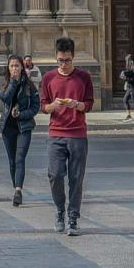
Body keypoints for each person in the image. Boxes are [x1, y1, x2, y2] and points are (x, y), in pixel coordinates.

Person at [41, 36, 93, 236]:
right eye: (60, 60)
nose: (64, 64)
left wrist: (76, 104)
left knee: (76, 178)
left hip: (78, 133)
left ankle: (73, 217)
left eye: (67, 60)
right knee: (54, 175)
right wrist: (53, 106)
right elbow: (43, 106)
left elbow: (89, 103)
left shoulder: (83, 77)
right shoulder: (49, 78)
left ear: (73, 58)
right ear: (56, 57)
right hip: (56, 133)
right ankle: (60, 210)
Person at [0, 53, 41, 206]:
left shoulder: (29, 86)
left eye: (17, 66)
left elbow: (36, 107)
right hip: (8, 128)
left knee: (19, 158)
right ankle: (14, 186)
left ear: (22, 67)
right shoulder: (5, 85)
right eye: (12, 66)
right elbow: (6, 98)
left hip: (24, 127)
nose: (15, 69)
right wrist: (13, 83)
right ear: (8, 69)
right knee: (12, 161)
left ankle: (18, 190)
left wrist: (22, 114)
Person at [119, 54, 134, 122]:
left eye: (127, 60)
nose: (126, 62)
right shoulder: (129, 67)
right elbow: (128, 73)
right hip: (129, 87)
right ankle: (129, 116)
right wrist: (123, 74)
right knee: (125, 100)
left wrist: (126, 78)